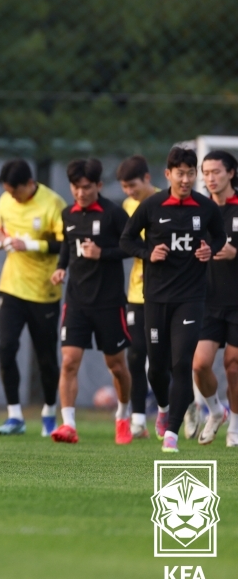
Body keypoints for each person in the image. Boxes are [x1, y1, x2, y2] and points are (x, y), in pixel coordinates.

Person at [121, 146, 225, 453]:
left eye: (191, 173)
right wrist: (147, 253)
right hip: (154, 298)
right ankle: (164, 408)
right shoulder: (152, 205)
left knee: (182, 364)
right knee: (157, 368)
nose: (186, 179)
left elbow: (218, 237)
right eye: (180, 173)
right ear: (168, 175)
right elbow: (126, 239)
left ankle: (172, 434)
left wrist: (210, 249)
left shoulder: (205, 208)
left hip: (191, 298)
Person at [49, 159, 133, 445]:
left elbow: (131, 246)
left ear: (98, 185)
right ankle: (68, 424)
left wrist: (103, 253)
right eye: (75, 187)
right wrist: (61, 267)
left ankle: (123, 415)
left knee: (117, 365)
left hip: (109, 302)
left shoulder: (113, 214)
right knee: (69, 361)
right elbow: (66, 245)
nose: (80, 193)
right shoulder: (67, 214)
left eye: (86, 187)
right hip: (76, 302)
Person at [0, 159, 66, 436]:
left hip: (44, 291)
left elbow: (64, 243)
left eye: (14, 192)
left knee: (46, 357)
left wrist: (29, 244)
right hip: (11, 287)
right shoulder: (5, 200)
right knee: (6, 348)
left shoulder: (52, 203)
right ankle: (14, 415)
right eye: (7, 192)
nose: (11, 197)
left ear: (29, 184)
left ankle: (48, 412)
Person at [191, 150, 238, 446]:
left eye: (216, 172)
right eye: (205, 172)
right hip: (207, 300)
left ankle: (235, 424)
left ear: (231, 173)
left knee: (233, 364)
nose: (210, 178)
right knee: (199, 364)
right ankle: (216, 410)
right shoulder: (199, 211)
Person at [117, 155, 162, 439]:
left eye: (132, 185)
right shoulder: (127, 206)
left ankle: (178, 407)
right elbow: (127, 243)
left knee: (165, 358)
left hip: (167, 292)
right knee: (135, 354)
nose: (129, 192)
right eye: (124, 187)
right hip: (136, 291)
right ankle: (137, 418)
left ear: (147, 178)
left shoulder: (166, 201)